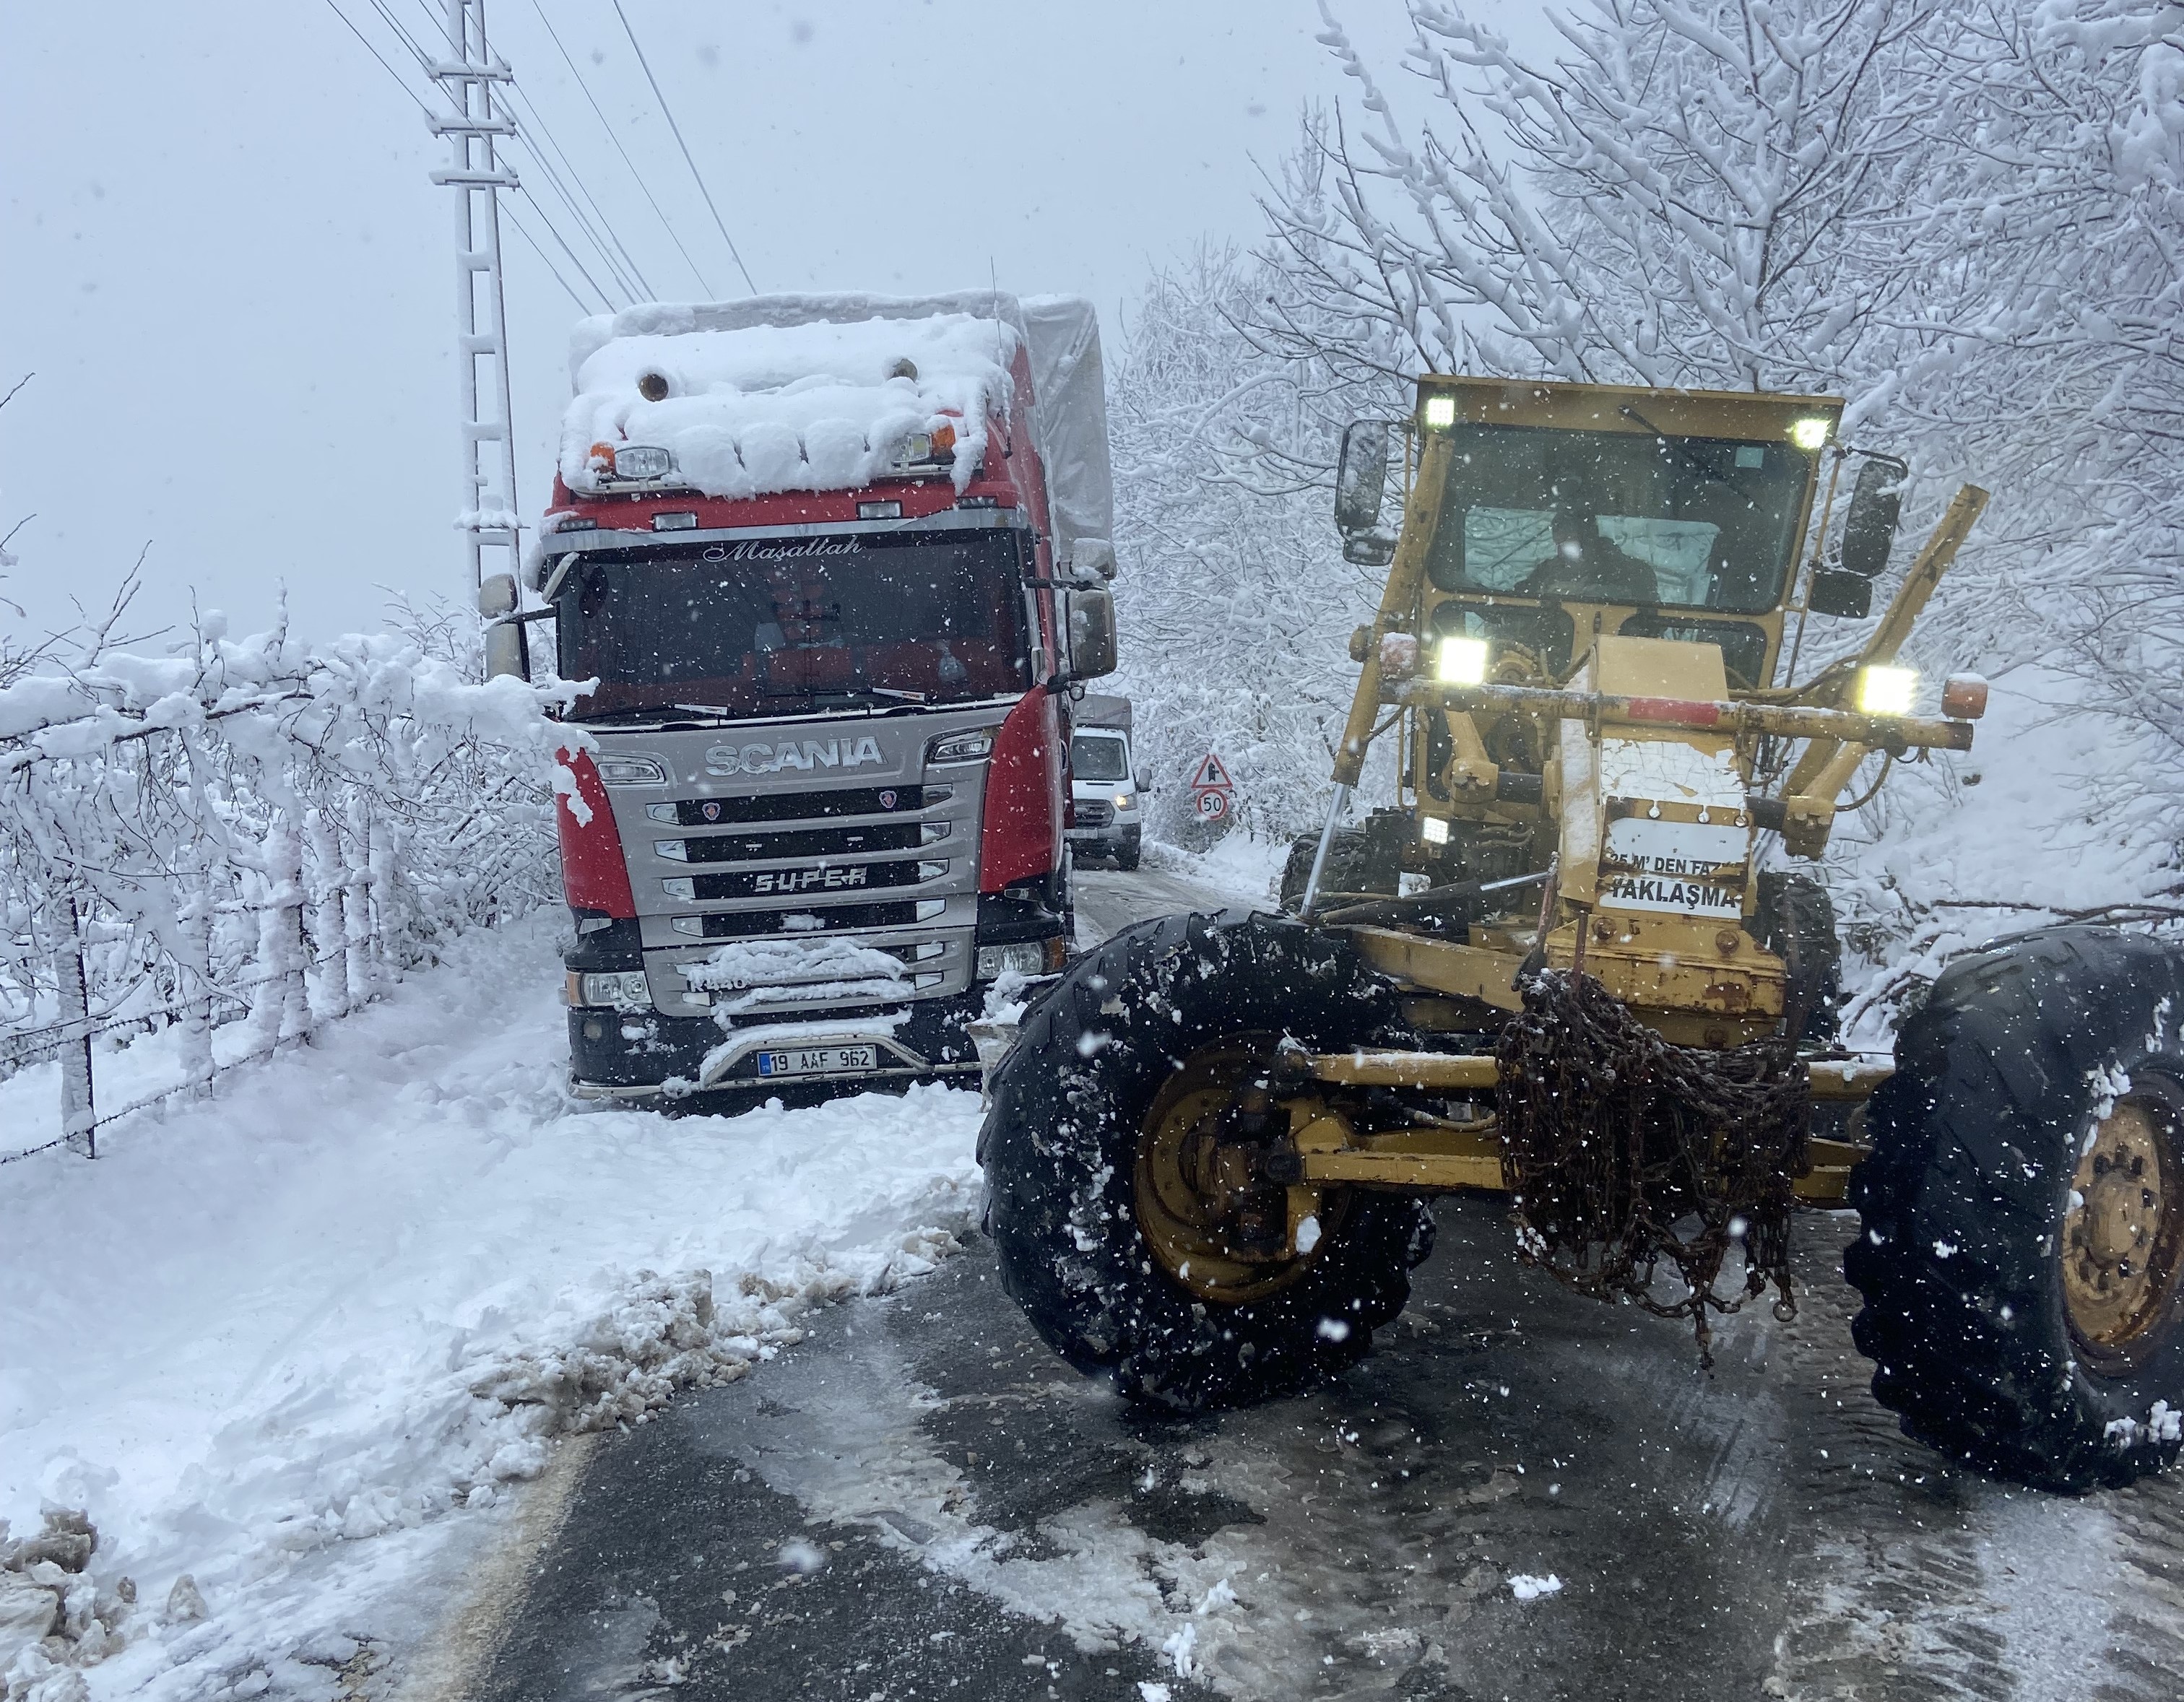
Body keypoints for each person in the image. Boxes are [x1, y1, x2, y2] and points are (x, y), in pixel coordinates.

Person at [1517, 508, 1660, 604]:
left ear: (1589, 541)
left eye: (1568, 544)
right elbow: (1520, 603)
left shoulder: (1633, 573)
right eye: (1558, 545)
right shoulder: (1547, 572)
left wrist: (1592, 592)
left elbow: (1652, 619)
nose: (1561, 552)